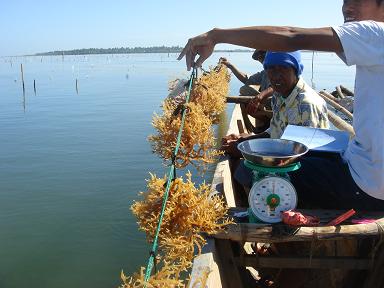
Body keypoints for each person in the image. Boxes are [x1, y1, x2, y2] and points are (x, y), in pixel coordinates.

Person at [177, 0, 384, 210]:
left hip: (367, 186)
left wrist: (215, 35)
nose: (348, 7)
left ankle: (266, 221)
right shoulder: (373, 48)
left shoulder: (377, 35)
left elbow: (292, 35)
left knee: (254, 170)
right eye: (345, 0)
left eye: (358, 0)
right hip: (360, 167)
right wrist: (250, 140)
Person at [222, 50, 329, 189]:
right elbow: (275, 129)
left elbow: (300, 157)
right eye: (271, 69)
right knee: (239, 155)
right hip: (283, 158)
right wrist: (247, 140)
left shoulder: (306, 105)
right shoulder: (280, 94)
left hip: (303, 171)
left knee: (242, 170)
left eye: (283, 68)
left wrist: (246, 151)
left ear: (296, 70)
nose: (276, 76)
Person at [220, 50, 274, 133]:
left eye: (263, 58)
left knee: (247, 95)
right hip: (266, 105)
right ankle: (266, 123)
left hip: (276, 105)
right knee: (244, 91)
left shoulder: (278, 70)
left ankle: (268, 123)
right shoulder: (264, 73)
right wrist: (230, 66)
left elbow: (274, 87)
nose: (262, 62)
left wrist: (260, 97)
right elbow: (246, 79)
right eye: (260, 60)